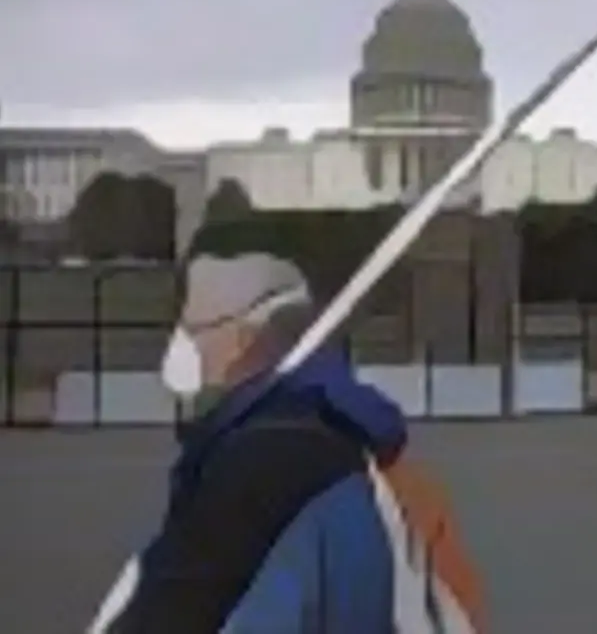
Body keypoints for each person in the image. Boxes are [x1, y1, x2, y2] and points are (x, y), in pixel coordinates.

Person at [90, 250, 485, 633]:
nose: (182, 348)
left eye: (195, 331)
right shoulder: (393, 469)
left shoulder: (251, 471)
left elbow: (166, 611)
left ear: (242, 339)